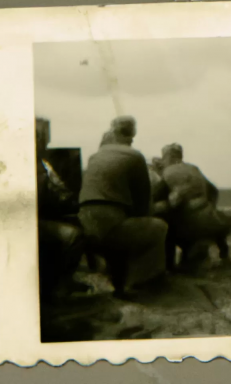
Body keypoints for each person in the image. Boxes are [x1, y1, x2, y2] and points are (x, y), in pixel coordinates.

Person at [78, 116, 168, 298]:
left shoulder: (94, 156)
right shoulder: (134, 156)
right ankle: (139, 282)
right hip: (111, 226)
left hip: (84, 223)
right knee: (158, 227)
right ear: (132, 136)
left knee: (119, 229)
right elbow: (143, 203)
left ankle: (115, 278)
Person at [160, 143, 231, 270]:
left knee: (165, 225)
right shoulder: (193, 168)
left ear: (169, 157)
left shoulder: (166, 173)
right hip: (212, 220)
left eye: (164, 157)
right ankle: (224, 256)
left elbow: (159, 198)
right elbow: (214, 190)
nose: (163, 161)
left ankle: (170, 267)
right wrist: (208, 205)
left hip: (189, 225)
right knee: (212, 215)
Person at [36, 118, 88, 305]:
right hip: (26, 220)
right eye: (43, 138)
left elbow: (59, 191)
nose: (46, 143)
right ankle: (58, 288)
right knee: (73, 236)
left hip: (38, 215)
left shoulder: (43, 163)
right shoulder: (33, 162)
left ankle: (58, 280)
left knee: (76, 223)